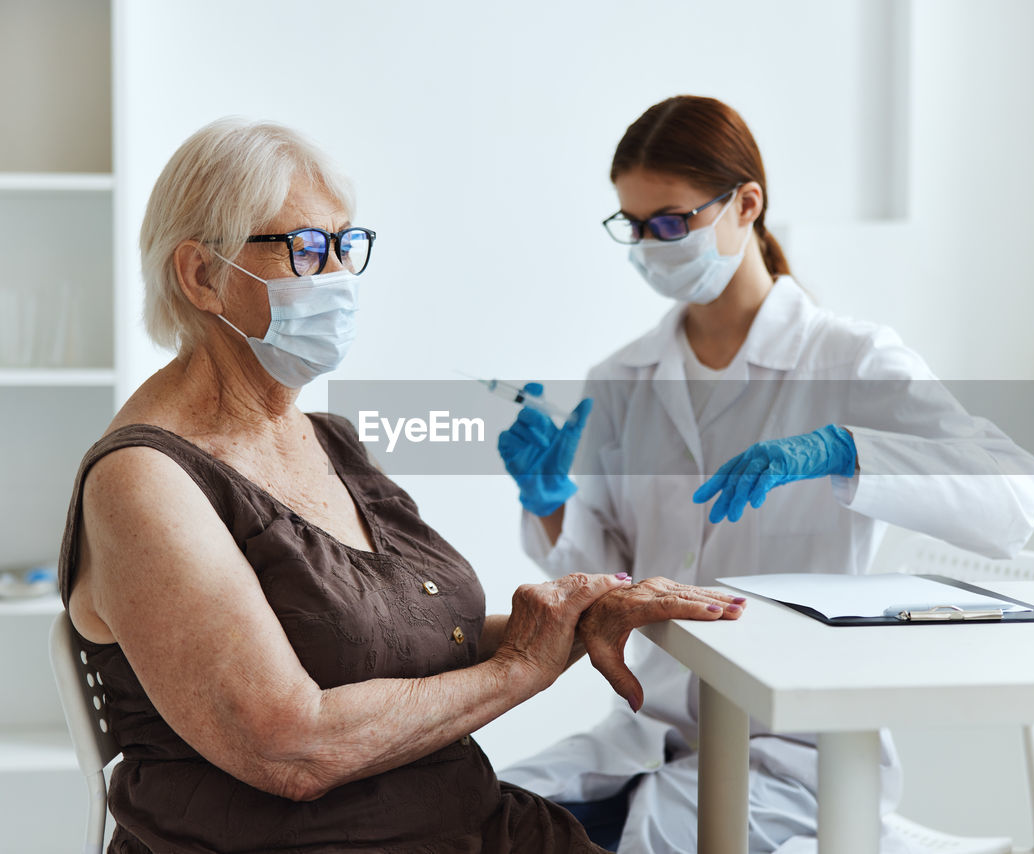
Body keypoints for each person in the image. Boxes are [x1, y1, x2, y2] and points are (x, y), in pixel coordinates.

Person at [57, 116, 748, 854]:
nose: (338, 279)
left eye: (345, 245)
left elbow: (408, 643)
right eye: (306, 249)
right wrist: (520, 669)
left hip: (464, 823)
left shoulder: (325, 440)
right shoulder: (143, 482)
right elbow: (290, 749)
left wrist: (580, 615)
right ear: (201, 275)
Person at [496, 95, 1034, 854]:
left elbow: (1012, 500)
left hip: (795, 757)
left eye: (671, 222)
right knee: (480, 822)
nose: (651, 245)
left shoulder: (851, 360)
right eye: (633, 225)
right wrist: (551, 502)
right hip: (648, 734)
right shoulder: (621, 378)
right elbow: (608, 581)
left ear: (746, 203)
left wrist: (849, 449)